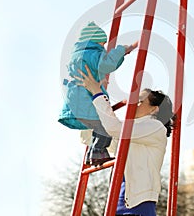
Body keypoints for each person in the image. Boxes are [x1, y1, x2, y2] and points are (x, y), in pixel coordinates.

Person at [75, 64, 175, 216]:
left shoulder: (155, 127)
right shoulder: (133, 132)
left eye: (139, 101)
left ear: (154, 109)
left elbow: (114, 128)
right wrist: (90, 100)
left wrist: (97, 93)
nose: (132, 104)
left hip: (138, 205)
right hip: (118, 201)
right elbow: (96, 137)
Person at [59, 21, 137, 165]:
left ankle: (92, 154)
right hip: (86, 102)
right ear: (95, 42)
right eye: (102, 44)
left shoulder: (76, 56)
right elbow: (107, 64)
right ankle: (97, 152)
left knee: (98, 127)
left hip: (75, 104)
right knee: (106, 126)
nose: (104, 48)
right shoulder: (92, 53)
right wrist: (122, 50)